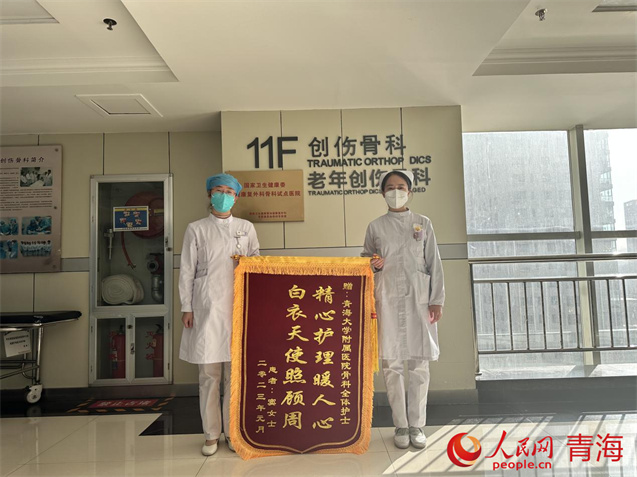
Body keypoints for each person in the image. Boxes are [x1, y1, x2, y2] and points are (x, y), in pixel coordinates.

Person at [361, 169, 444, 450]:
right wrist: (372, 264)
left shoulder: (423, 223)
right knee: (392, 364)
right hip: (386, 299)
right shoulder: (375, 227)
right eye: (389, 187)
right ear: (382, 192)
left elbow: (434, 263)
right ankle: (400, 425)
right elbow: (365, 261)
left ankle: (417, 424)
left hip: (419, 300)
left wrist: (437, 299)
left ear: (410, 192)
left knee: (420, 364)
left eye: (400, 187)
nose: (395, 192)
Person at [179, 173, 260, 457]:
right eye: (218, 190)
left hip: (238, 307)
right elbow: (187, 270)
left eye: (229, 192)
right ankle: (211, 434)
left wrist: (248, 264)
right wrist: (186, 307)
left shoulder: (246, 228)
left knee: (234, 376)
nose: (223, 196)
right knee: (209, 374)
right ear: (209, 194)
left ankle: (233, 434)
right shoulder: (196, 229)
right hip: (207, 308)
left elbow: (257, 263)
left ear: (236, 197)